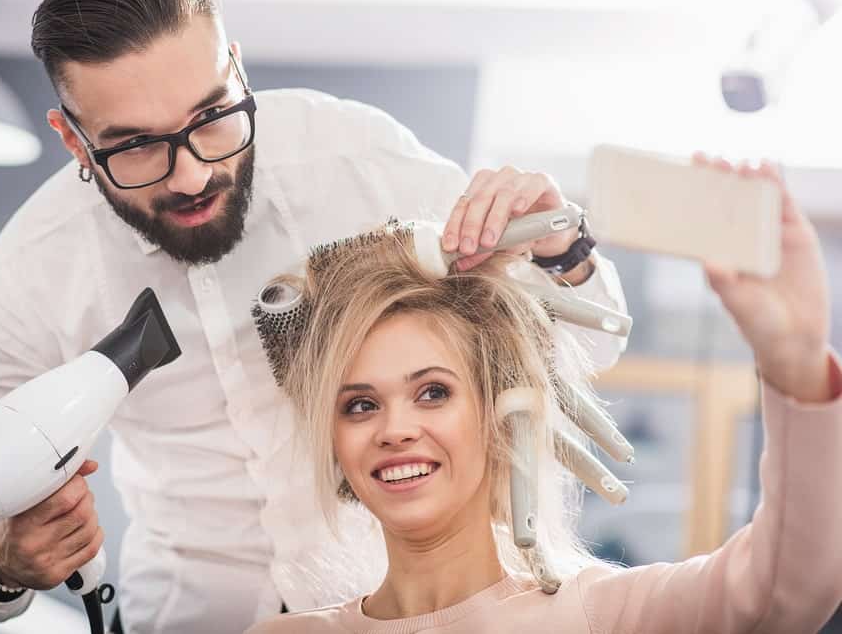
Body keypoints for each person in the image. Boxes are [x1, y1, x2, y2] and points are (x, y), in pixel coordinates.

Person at [0, 0, 629, 632]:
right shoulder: (26, 281)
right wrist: (3, 562)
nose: (192, 173)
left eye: (211, 116)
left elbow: (592, 347)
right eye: (138, 146)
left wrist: (559, 249)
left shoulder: (359, 163)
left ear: (236, 69)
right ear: (74, 141)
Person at [245, 155, 842, 634]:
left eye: (432, 392)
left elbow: (787, 589)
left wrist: (795, 366)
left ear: (500, 416)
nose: (394, 429)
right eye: (360, 404)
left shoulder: (601, 616)